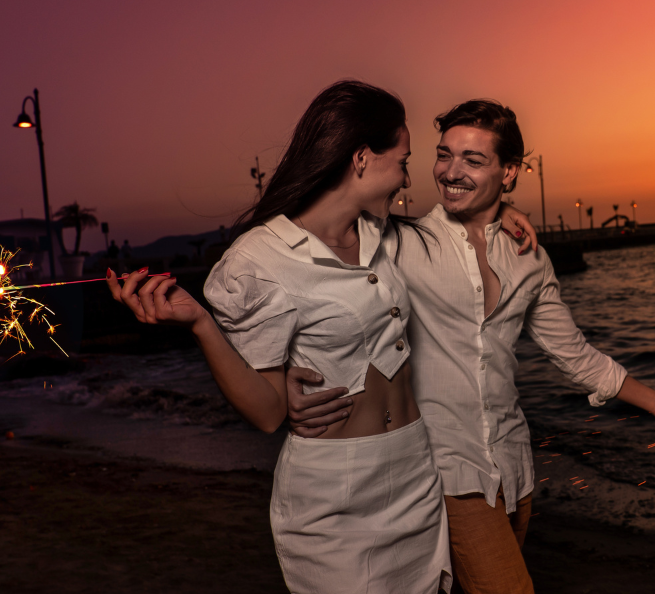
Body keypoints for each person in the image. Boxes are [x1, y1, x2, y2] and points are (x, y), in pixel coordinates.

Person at [105, 81, 536, 593]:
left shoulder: (383, 235)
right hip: (337, 493)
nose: (406, 175)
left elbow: (454, 233)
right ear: (360, 159)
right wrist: (202, 324)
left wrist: (501, 207)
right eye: (402, 160)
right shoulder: (258, 261)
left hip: (417, 472)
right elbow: (267, 413)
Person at [285, 100, 655, 594]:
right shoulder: (401, 243)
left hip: (514, 468)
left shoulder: (529, 256)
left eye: (472, 160)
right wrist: (286, 371)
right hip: (442, 469)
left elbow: (573, 353)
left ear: (509, 173)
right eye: (444, 155)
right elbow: (319, 264)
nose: (450, 172)